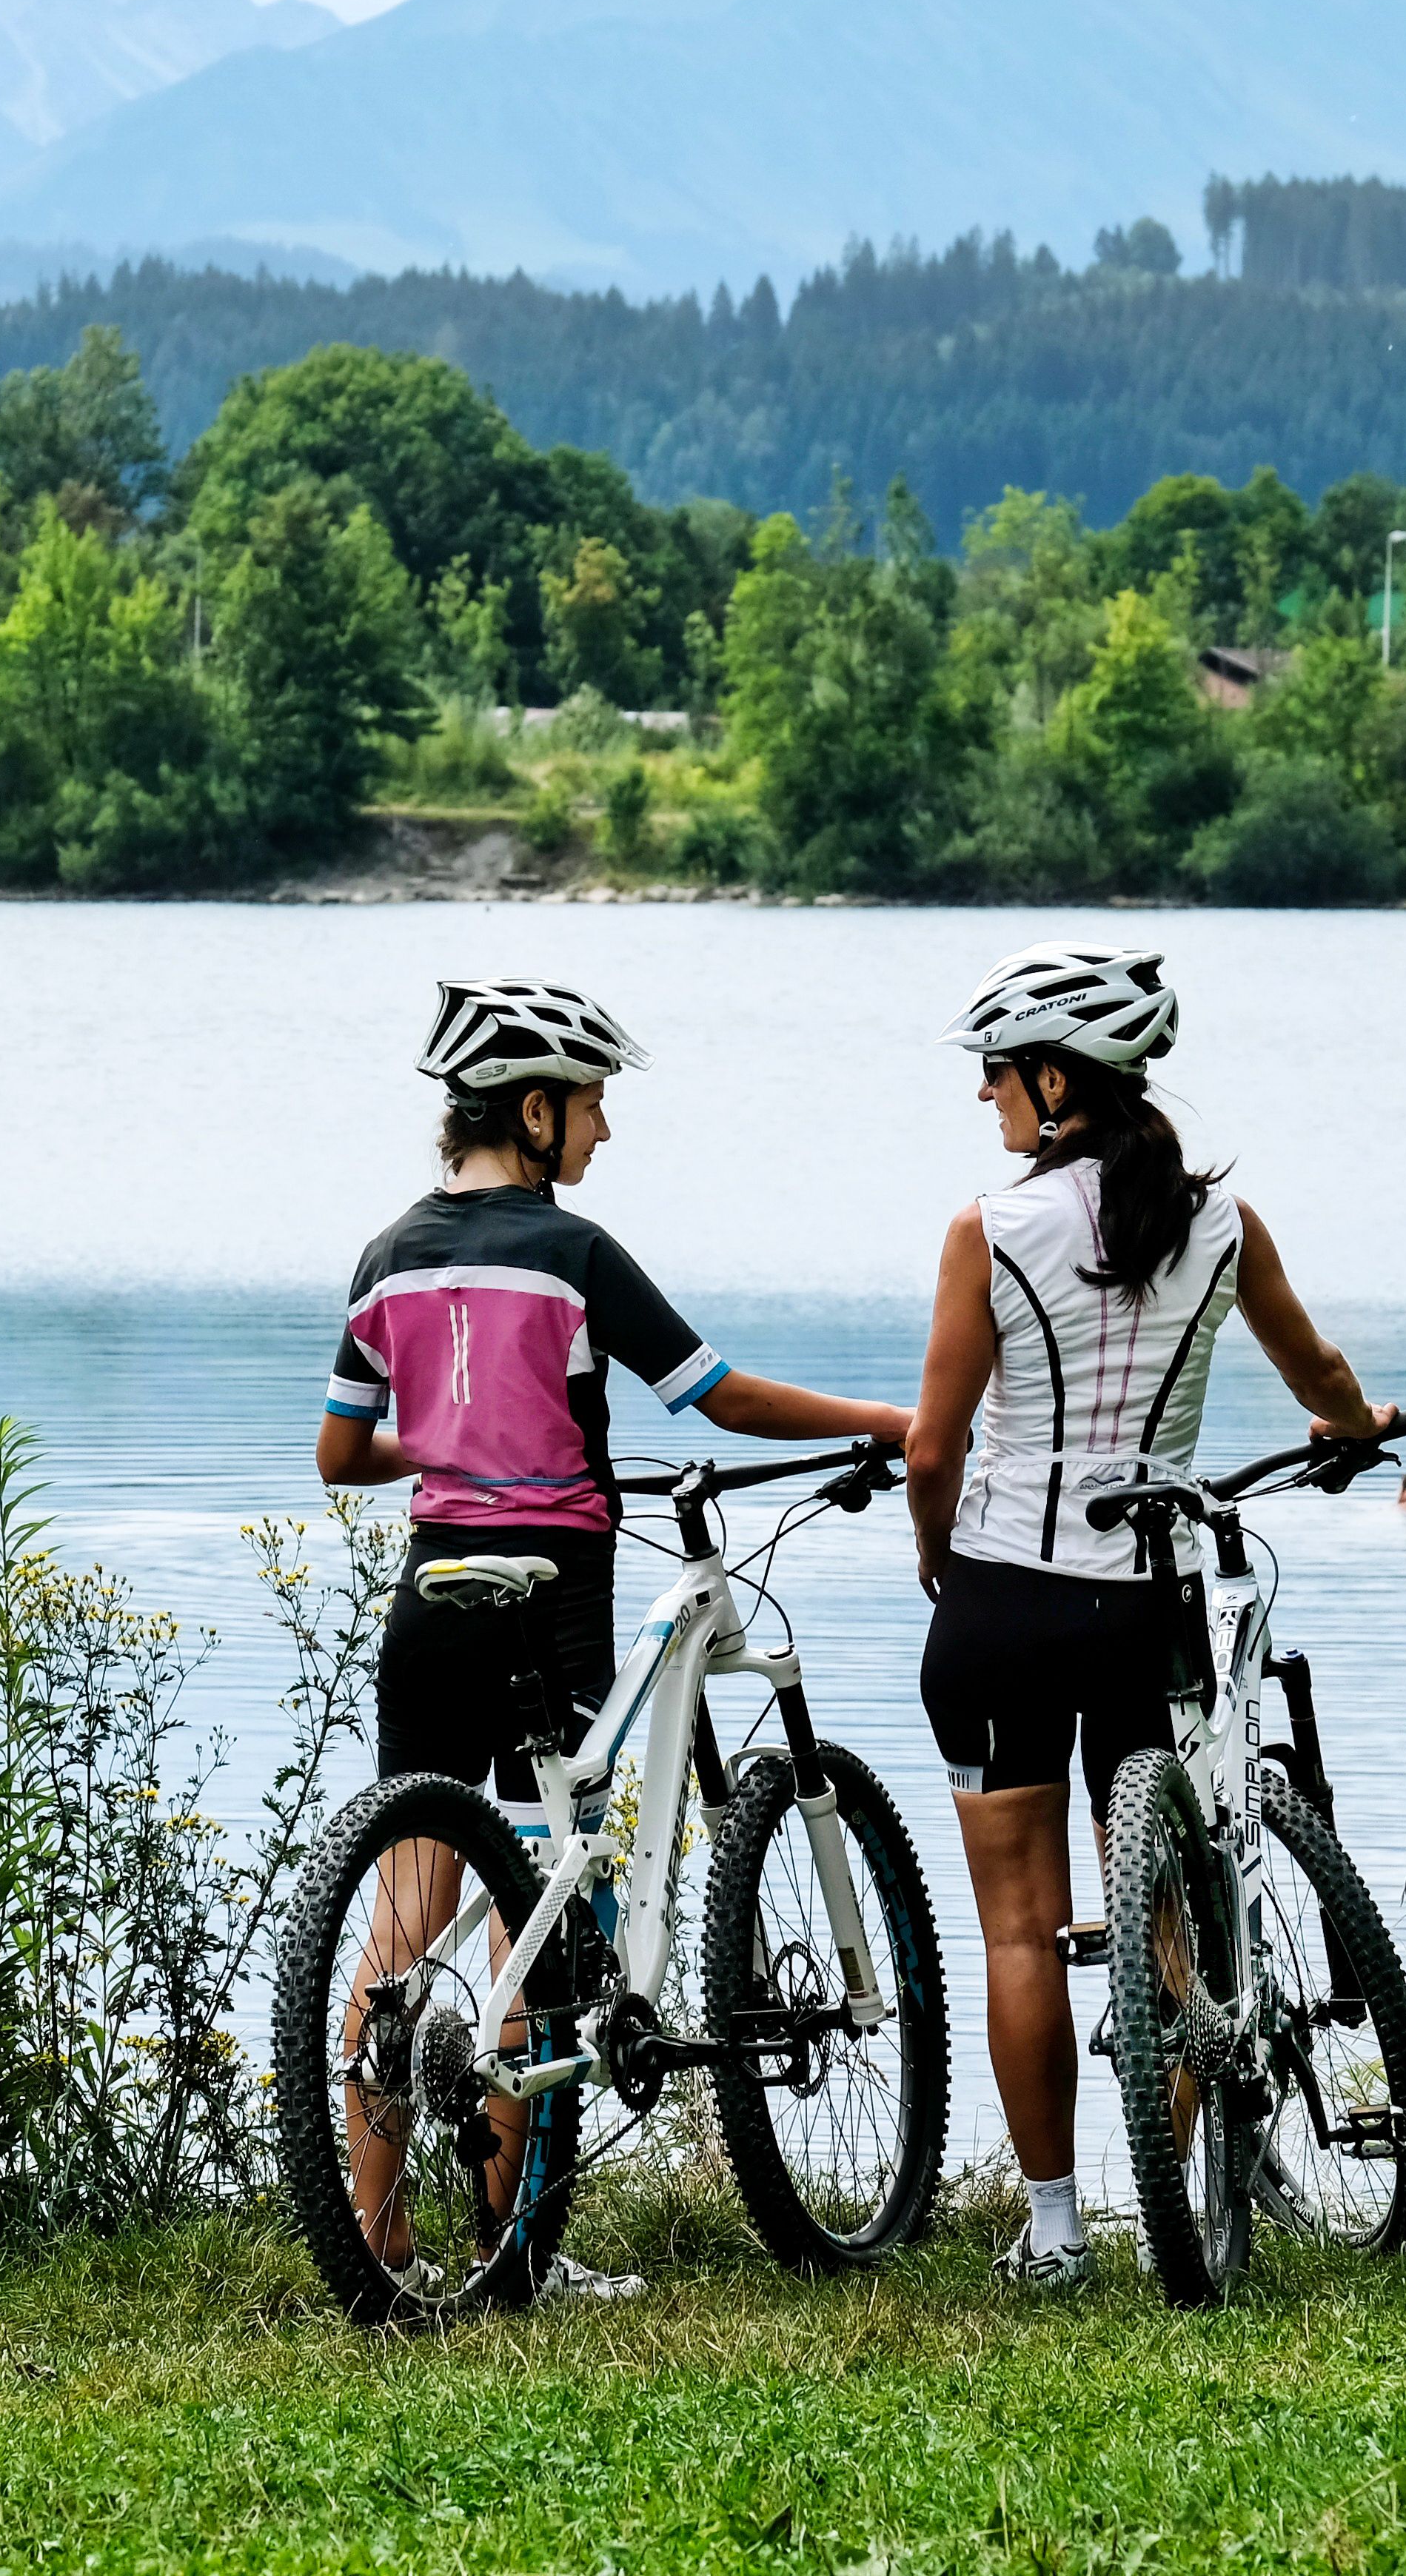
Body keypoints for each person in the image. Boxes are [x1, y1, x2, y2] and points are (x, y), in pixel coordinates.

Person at [315, 978, 912, 2298]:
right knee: (541, 1898)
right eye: (590, 1104)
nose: (601, 1132)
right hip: (556, 1606)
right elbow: (719, 1394)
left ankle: (376, 2236)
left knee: (405, 1918)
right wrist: (890, 1420)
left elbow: (340, 1455)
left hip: (432, 1596)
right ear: (532, 1111)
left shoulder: (385, 1258)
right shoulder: (574, 1254)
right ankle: (516, 2252)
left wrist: (463, 1446)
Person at [905, 942, 1386, 2289]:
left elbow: (934, 1450)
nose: (989, 1098)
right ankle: (1174, 2195)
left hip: (1004, 1603)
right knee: (1166, 1922)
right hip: (1146, 1607)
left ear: (1057, 1079)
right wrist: (1355, 1429)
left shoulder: (988, 1233)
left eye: (998, 1073)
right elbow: (1325, 1375)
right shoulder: (1224, 1228)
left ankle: (1054, 2228)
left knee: (1020, 1933)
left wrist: (938, 1559)